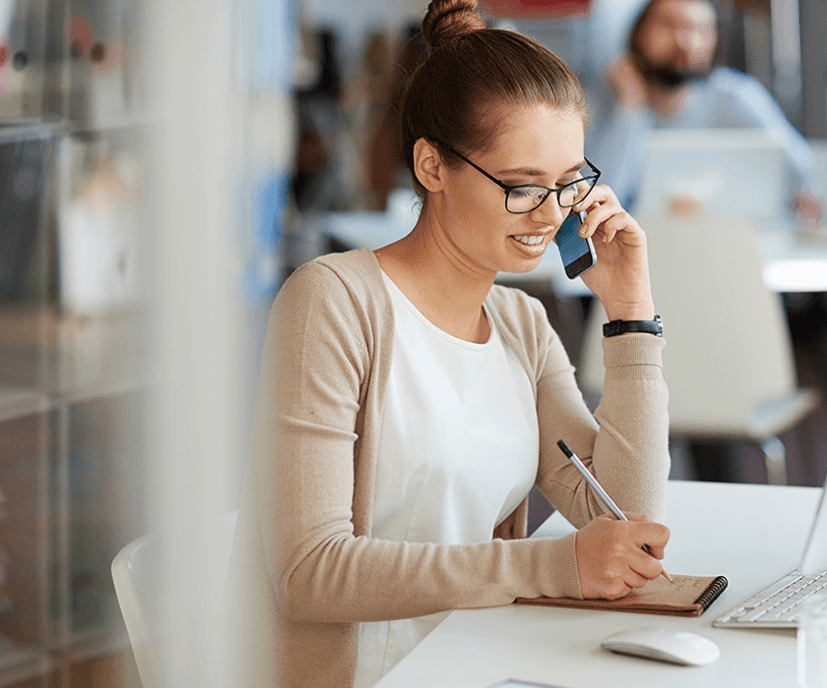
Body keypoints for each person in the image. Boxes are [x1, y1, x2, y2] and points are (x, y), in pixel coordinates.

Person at [231, 1, 672, 686]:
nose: (553, 215)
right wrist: (549, 566)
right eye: (523, 187)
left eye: (567, 185)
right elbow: (308, 572)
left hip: (474, 664)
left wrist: (631, 316)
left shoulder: (522, 327)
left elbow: (622, 518)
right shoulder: (334, 303)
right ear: (432, 166)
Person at [586, 0, 823, 224]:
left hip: (727, 240)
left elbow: (802, 172)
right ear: (638, 34)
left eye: (699, 29)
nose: (684, 41)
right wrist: (629, 110)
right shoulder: (602, 103)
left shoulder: (736, 97)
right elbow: (592, 199)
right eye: (668, 25)